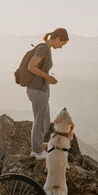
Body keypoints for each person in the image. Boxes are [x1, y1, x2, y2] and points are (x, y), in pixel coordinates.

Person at [26, 27, 69, 160]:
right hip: (37, 90)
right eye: (62, 43)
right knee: (39, 121)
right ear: (57, 39)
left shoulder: (46, 49)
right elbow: (31, 67)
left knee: (45, 121)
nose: (61, 47)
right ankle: (37, 152)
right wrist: (48, 77)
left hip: (41, 90)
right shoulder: (43, 48)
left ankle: (38, 146)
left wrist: (47, 79)